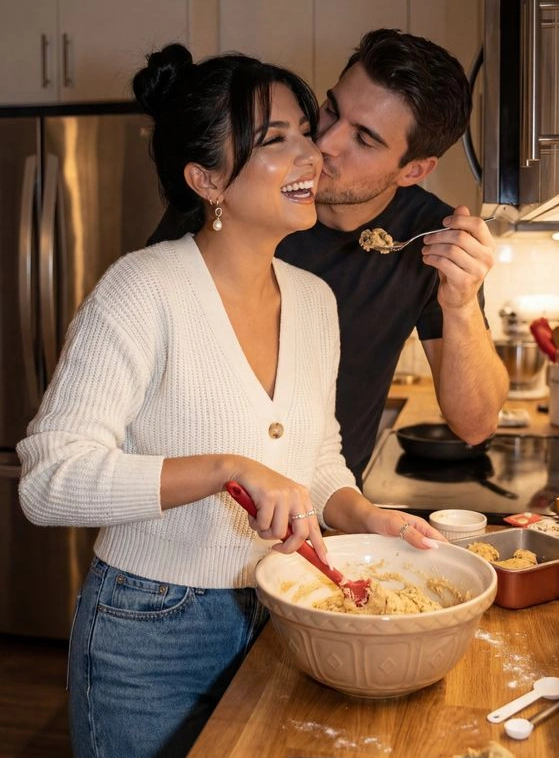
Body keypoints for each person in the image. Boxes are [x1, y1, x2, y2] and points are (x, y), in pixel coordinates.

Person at [17, 45, 442, 758]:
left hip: (282, 617)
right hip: (148, 638)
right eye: (273, 139)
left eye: (300, 133)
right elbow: (47, 481)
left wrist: (364, 516)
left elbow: (315, 462)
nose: (310, 154)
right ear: (206, 181)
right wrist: (224, 469)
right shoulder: (141, 291)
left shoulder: (313, 301)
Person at [150, 29, 509, 481]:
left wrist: (459, 307)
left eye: (364, 138)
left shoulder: (426, 238)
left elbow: (476, 424)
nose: (324, 143)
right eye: (331, 110)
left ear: (414, 170)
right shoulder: (232, 203)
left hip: (326, 507)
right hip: (202, 509)